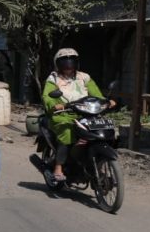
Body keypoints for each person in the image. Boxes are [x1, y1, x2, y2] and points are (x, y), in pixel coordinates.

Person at [42, 48, 115, 182]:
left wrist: (106, 102)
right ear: (58, 64)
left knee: (102, 130)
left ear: (76, 63)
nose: (68, 66)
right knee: (67, 133)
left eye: (71, 62)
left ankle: (95, 163)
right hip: (63, 114)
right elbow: (47, 96)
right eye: (65, 62)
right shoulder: (53, 78)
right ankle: (58, 168)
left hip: (86, 113)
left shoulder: (84, 77)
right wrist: (54, 105)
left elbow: (96, 93)